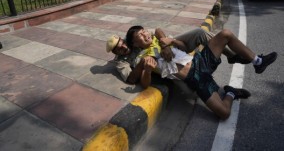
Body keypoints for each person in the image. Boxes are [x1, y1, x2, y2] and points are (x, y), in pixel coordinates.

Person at [125, 26, 277, 120]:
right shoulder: (141, 58)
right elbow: (136, 81)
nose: (145, 35)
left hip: (200, 61)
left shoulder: (159, 38)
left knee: (225, 34)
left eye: (144, 31)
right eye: (140, 35)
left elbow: (158, 29)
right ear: (135, 43)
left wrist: (167, 43)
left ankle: (257, 61)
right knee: (224, 113)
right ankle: (231, 93)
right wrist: (147, 70)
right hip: (196, 80)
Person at [106, 27, 250, 84]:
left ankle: (231, 55)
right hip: (172, 60)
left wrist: (166, 44)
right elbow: (131, 79)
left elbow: (157, 30)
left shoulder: (135, 38)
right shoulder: (122, 62)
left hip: (175, 46)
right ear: (115, 53)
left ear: (126, 40)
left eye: (123, 43)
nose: (123, 47)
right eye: (119, 49)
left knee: (200, 33)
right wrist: (143, 64)